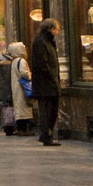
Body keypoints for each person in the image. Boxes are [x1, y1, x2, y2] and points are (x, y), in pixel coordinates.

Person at [31, 18, 62, 146]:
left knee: (52, 110)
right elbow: (42, 64)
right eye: (57, 29)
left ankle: (46, 134)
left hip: (51, 83)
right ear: (50, 29)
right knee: (47, 110)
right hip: (45, 84)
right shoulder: (40, 42)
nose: (58, 31)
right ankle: (46, 135)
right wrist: (52, 77)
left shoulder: (48, 41)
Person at [8, 41, 34, 136]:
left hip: (16, 87)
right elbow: (24, 73)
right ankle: (23, 129)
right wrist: (30, 75)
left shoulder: (14, 61)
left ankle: (21, 128)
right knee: (24, 108)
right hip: (22, 88)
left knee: (19, 108)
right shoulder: (21, 61)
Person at [0, 49, 15, 136]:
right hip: (7, 89)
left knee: (6, 107)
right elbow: (7, 78)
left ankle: (8, 126)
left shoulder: (2, 61)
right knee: (8, 107)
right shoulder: (8, 64)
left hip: (3, 89)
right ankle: (9, 128)